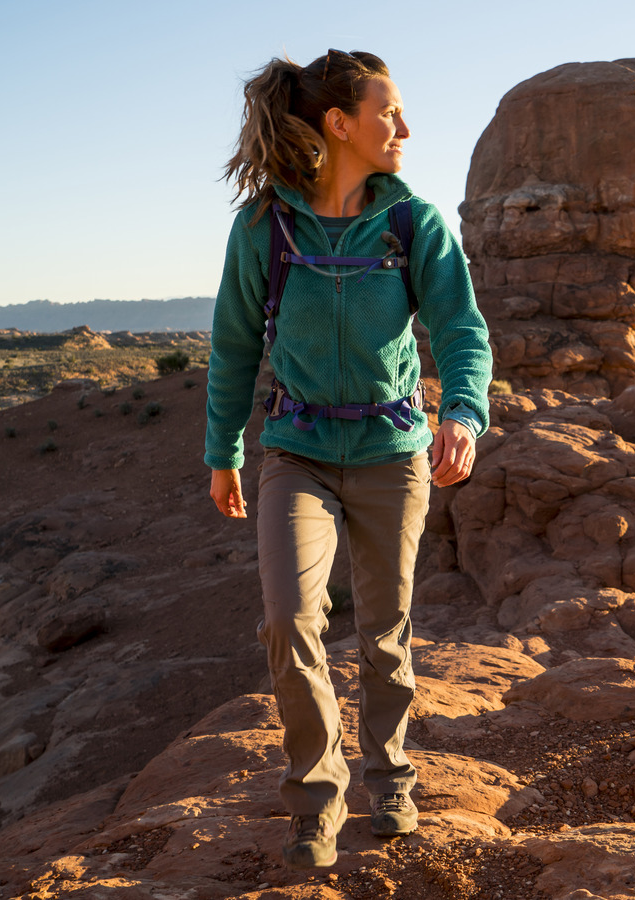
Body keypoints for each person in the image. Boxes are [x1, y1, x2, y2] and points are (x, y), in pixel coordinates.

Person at [203, 49, 491, 869]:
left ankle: (390, 775)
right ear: (340, 124)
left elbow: (462, 330)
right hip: (295, 451)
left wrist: (462, 414)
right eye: (389, 111)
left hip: (392, 454)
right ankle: (316, 801)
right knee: (290, 621)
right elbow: (230, 347)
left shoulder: (413, 225)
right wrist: (222, 450)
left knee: (384, 632)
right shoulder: (267, 226)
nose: (404, 126)